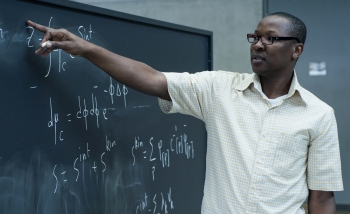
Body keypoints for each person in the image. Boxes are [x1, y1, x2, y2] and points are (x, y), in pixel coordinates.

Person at [27, 11, 343, 214]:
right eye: (255, 37)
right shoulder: (220, 89)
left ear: (296, 49)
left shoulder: (318, 114)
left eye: (270, 39)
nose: (258, 45)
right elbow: (151, 78)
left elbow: (322, 197)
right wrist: (86, 48)